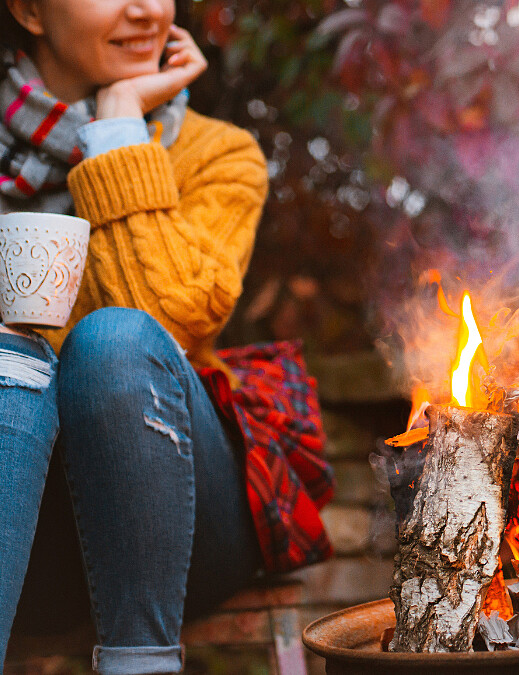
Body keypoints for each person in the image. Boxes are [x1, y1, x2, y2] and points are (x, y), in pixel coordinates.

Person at [0, 1, 333, 672]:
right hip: (24, 529)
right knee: (12, 374)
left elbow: (168, 319)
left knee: (115, 343)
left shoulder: (221, 155)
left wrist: (119, 127)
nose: (146, 7)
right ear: (29, 10)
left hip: (174, 515)